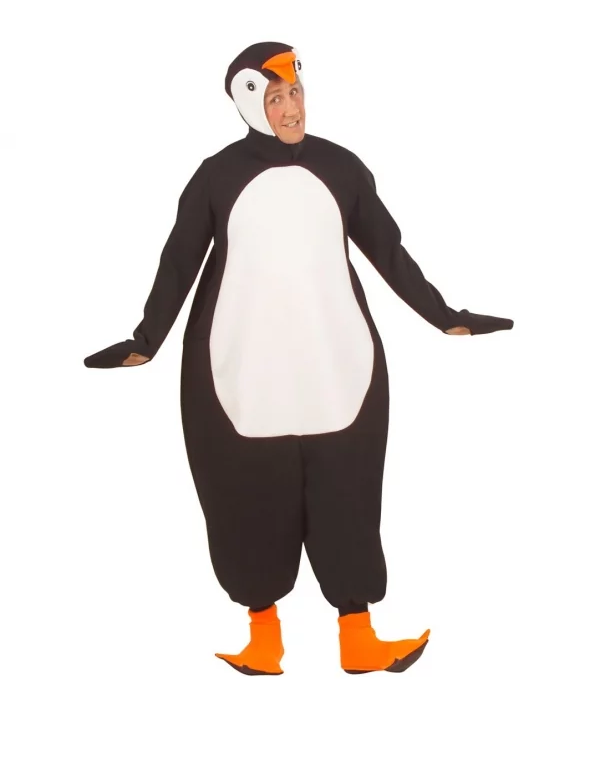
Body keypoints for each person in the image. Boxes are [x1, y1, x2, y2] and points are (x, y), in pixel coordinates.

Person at [84, 41, 513, 675]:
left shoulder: (340, 167)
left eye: (296, 93)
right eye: (276, 98)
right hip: (239, 373)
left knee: (349, 495)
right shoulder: (216, 175)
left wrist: (443, 314)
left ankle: (358, 638)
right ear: (248, 104)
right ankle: (264, 637)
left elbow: (388, 250)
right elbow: (178, 261)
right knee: (245, 497)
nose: (291, 109)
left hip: (338, 366)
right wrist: (146, 340)